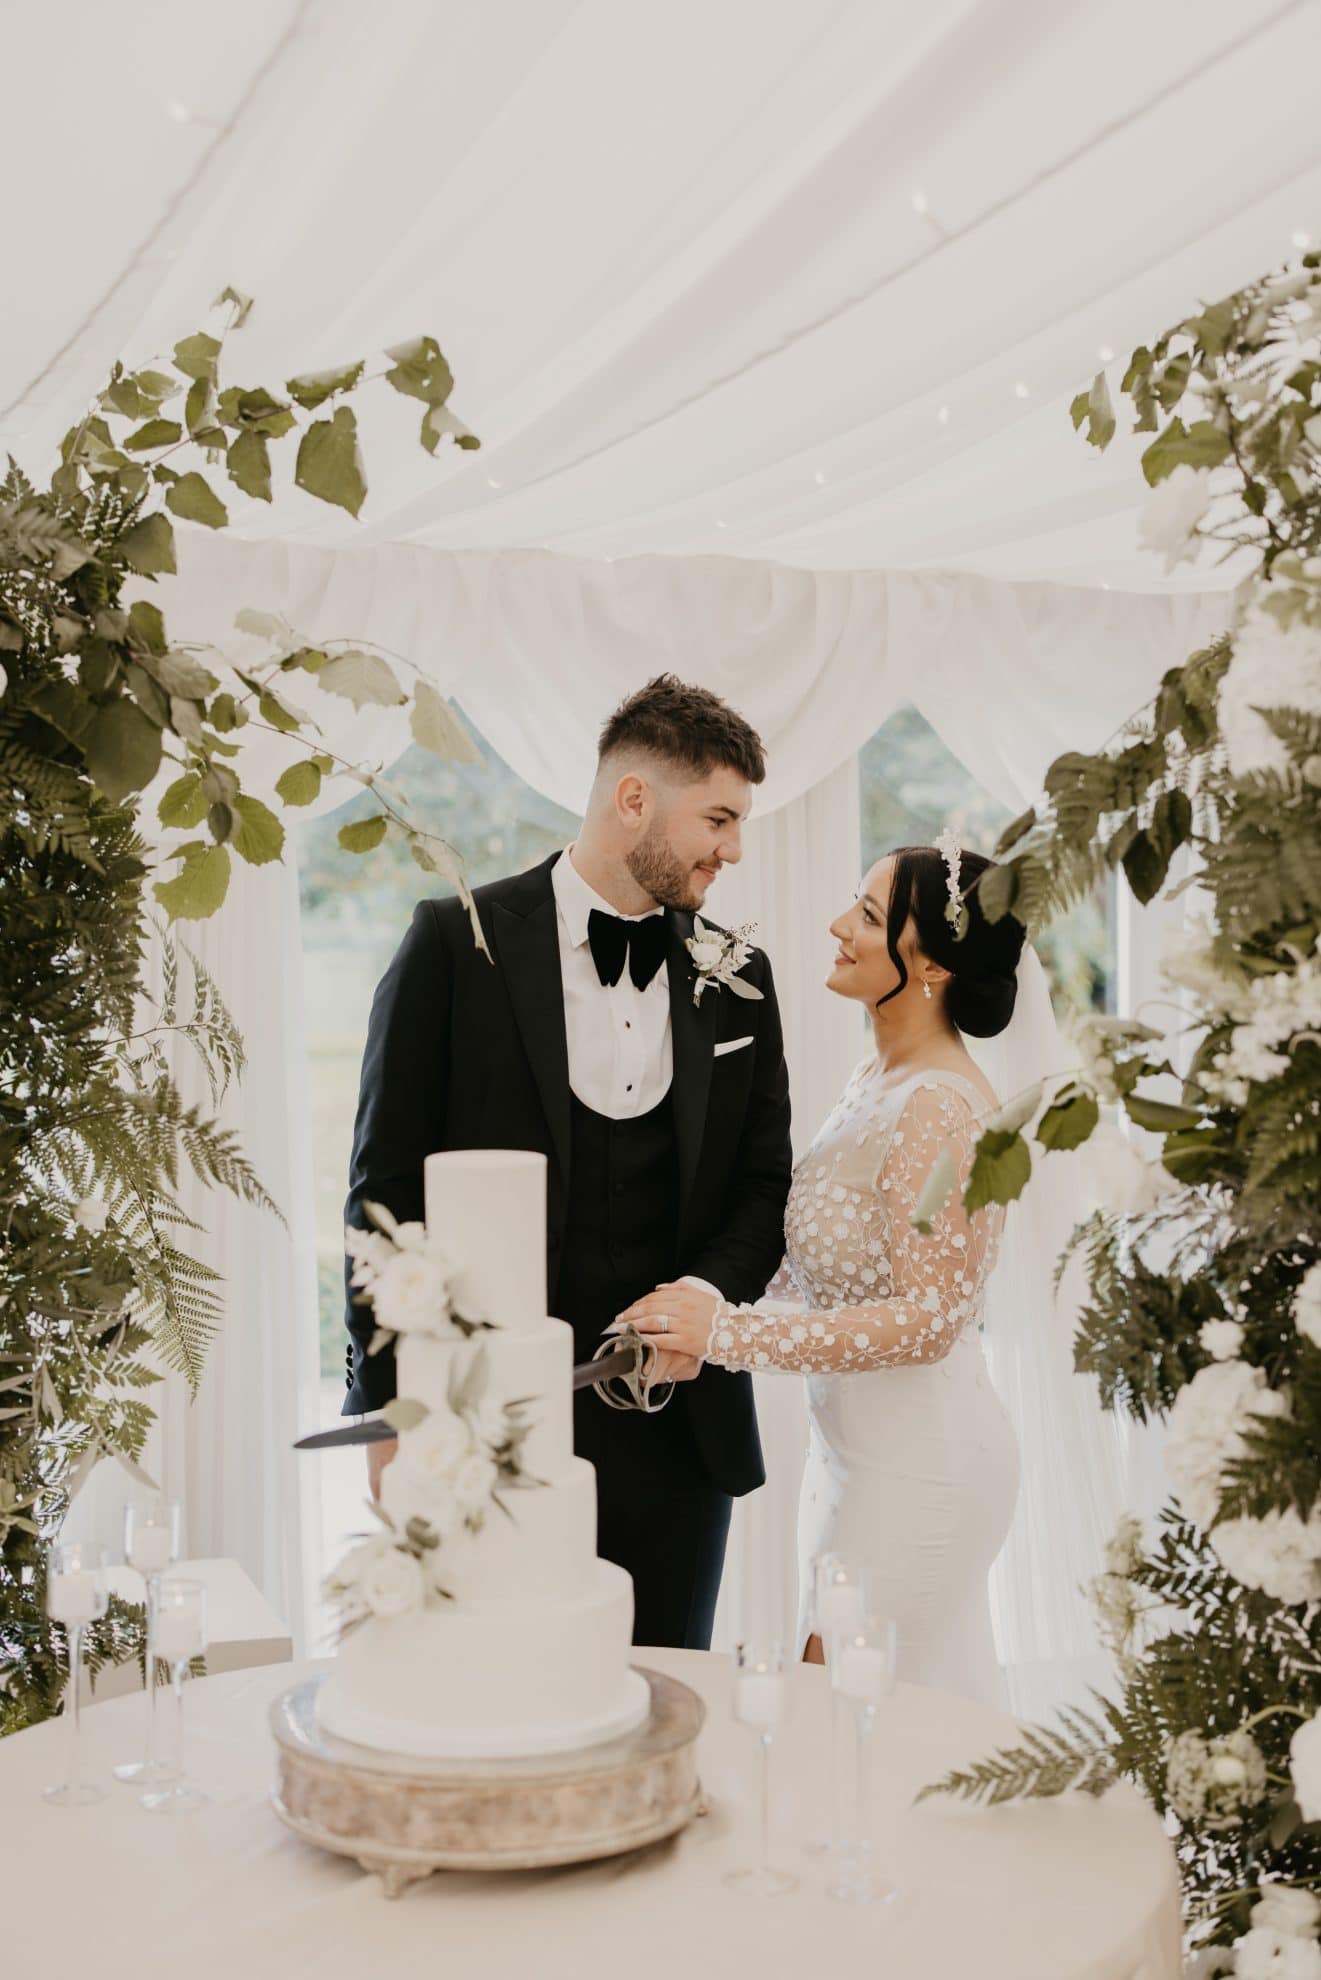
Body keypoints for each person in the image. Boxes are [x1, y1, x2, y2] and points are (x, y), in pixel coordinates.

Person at [342, 673, 793, 1650]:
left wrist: (705, 1297)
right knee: (497, 1692)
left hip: (676, 1427)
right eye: (717, 817)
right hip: (481, 1420)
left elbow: (764, 1184)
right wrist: (383, 1406)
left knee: (668, 1695)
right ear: (634, 800)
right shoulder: (454, 947)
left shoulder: (741, 980)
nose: (733, 849)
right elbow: (381, 1197)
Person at [617, 840, 1025, 1703]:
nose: (838, 927)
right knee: (862, 1726)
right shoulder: (875, 1075)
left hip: (924, 1468)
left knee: (833, 1712)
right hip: (854, 1459)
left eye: (870, 918)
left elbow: (928, 1317)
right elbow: (836, 1267)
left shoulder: (938, 1106)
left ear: (931, 967)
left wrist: (727, 1335)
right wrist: (706, 1294)